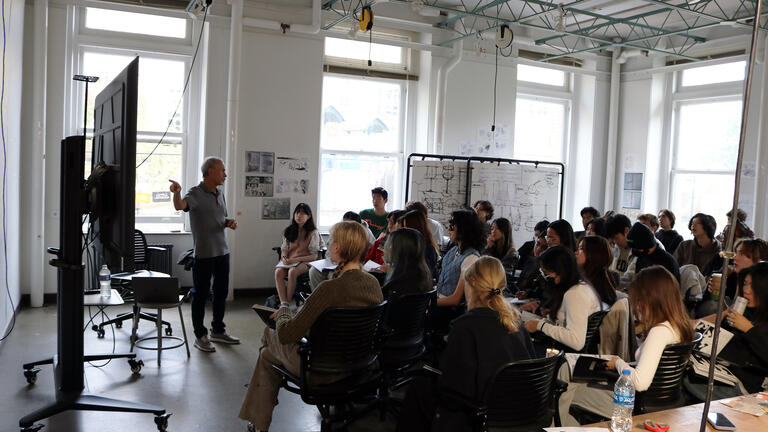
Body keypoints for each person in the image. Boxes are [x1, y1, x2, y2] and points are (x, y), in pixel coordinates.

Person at [238, 221, 383, 432]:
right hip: (358, 365)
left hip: (321, 370)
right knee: (268, 356)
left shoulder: (329, 288)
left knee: (270, 334)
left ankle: (260, 424)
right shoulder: (373, 284)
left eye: (332, 240)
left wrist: (284, 311)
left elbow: (288, 333)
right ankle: (259, 422)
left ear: (338, 248)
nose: (329, 244)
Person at [396, 257, 535, 432]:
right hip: (515, 410)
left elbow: (453, 386)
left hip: (477, 411)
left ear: (472, 284)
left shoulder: (465, 326)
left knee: (419, 387)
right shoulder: (516, 324)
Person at [558, 266, 695, 423]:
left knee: (568, 390)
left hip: (632, 402)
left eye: (639, 300)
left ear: (651, 299)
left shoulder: (659, 332)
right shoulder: (679, 326)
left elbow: (640, 382)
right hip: (661, 400)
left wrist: (618, 363)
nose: (637, 306)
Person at [169, 157, 239, 352]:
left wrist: (228, 222)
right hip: (204, 255)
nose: (225, 174)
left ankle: (218, 330)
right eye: (222, 170)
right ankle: (200, 335)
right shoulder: (196, 193)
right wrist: (177, 193)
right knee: (200, 295)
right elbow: (180, 206)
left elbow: (219, 217)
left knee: (221, 293)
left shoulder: (220, 193)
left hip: (222, 252)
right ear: (210, 172)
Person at [524, 246, 602, 352]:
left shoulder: (575, 294)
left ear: (560, 271)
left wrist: (540, 325)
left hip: (563, 354)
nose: (545, 278)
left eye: (546, 273)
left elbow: (576, 341)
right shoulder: (581, 286)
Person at [718, 262, 768, 393]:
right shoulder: (745, 309)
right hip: (724, 370)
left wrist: (749, 329)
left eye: (753, 286)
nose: (746, 290)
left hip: (749, 384)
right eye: (745, 284)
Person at [435, 209, 485, 307]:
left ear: (463, 229)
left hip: (449, 311)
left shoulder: (471, 258)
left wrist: (429, 303)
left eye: (452, 226)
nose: (449, 229)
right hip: (439, 302)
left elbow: (455, 299)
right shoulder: (454, 250)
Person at [274, 203, 322, 304]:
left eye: (303, 214)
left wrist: (294, 260)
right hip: (290, 261)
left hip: (306, 261)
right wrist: (284, 257)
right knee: (278, 272)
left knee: (292, 272)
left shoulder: (313, 232)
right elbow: (284, 248)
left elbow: (313, 256)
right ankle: (284, 303)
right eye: (297, 213)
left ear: (308, 216)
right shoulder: (289, 230)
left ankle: (286, 304)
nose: (299, 216)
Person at [381, 227, 433, 299]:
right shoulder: (421, 272)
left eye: (391, 244)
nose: (388, 248)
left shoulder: (399, 283)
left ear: (400, 249)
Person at [577, 236, 618, 308]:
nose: (576, 252)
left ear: (593, 253)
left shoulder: (596, 281)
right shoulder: (603, 274)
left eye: (581, 249)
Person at [399, 210, 439, 278]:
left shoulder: (427, 249)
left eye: (406, 228)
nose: (404, 232)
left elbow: (422, 275)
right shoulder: (407, 245)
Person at [606, 214, 636, 290]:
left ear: (626, 231)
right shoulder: (616, 248)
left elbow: (629, 278)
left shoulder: (639, 251)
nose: (615, 242)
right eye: (612, 239)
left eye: (616, 238)